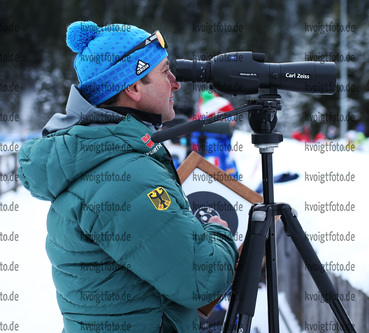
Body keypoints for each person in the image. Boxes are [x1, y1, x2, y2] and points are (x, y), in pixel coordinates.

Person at [18, 21, 238, 333]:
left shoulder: (103, 160)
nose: (176, 84)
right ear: (132, 88)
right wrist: (219, 233)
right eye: (165, 72)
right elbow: (201, 281)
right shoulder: (126, 177)